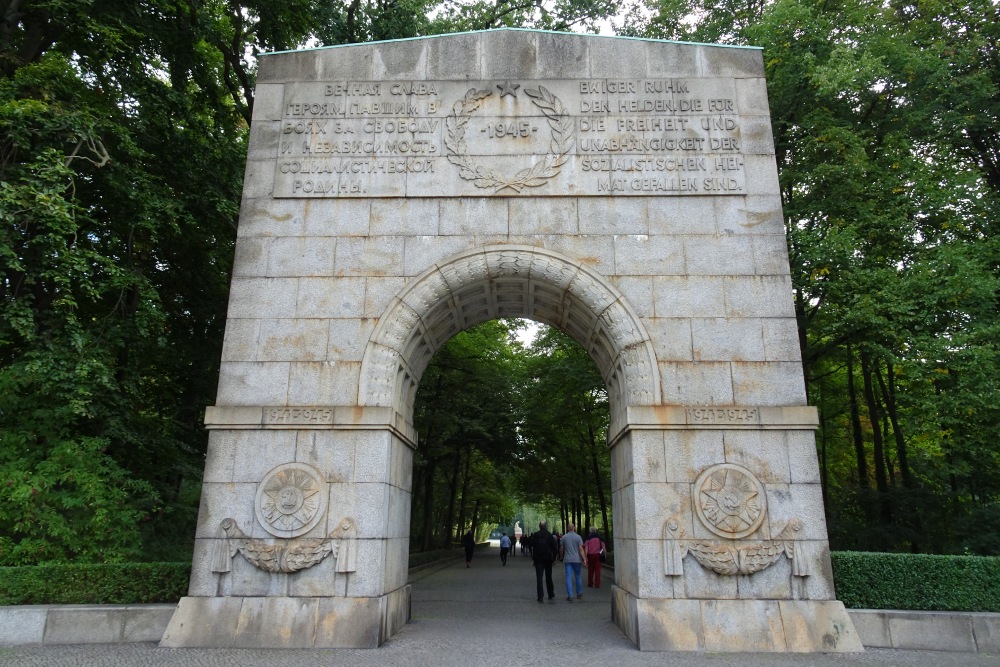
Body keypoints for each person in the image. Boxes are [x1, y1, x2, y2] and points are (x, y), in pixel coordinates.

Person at [530, 521, 557, 603]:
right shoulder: (549, 535)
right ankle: (551, 594)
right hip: (548, 559)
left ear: (539, 526)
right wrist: (554, 558)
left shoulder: (536, 535)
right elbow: (554, 547)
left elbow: (531, 544)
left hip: (538, 559)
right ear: (546, 526)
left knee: (539, 577)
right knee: (548, 577)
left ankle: (540, 596)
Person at [559, 522, 586, 602]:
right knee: (578, 576)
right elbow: (581, 549)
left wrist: (561, 557)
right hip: (577, 560)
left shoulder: (564, 537)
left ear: (567, 528)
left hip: (567, 559)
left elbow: (561, 548)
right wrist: (584, 558)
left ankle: (570, 595)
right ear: (574, 528)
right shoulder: (578, 537)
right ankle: (579, 593)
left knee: (568, 577)